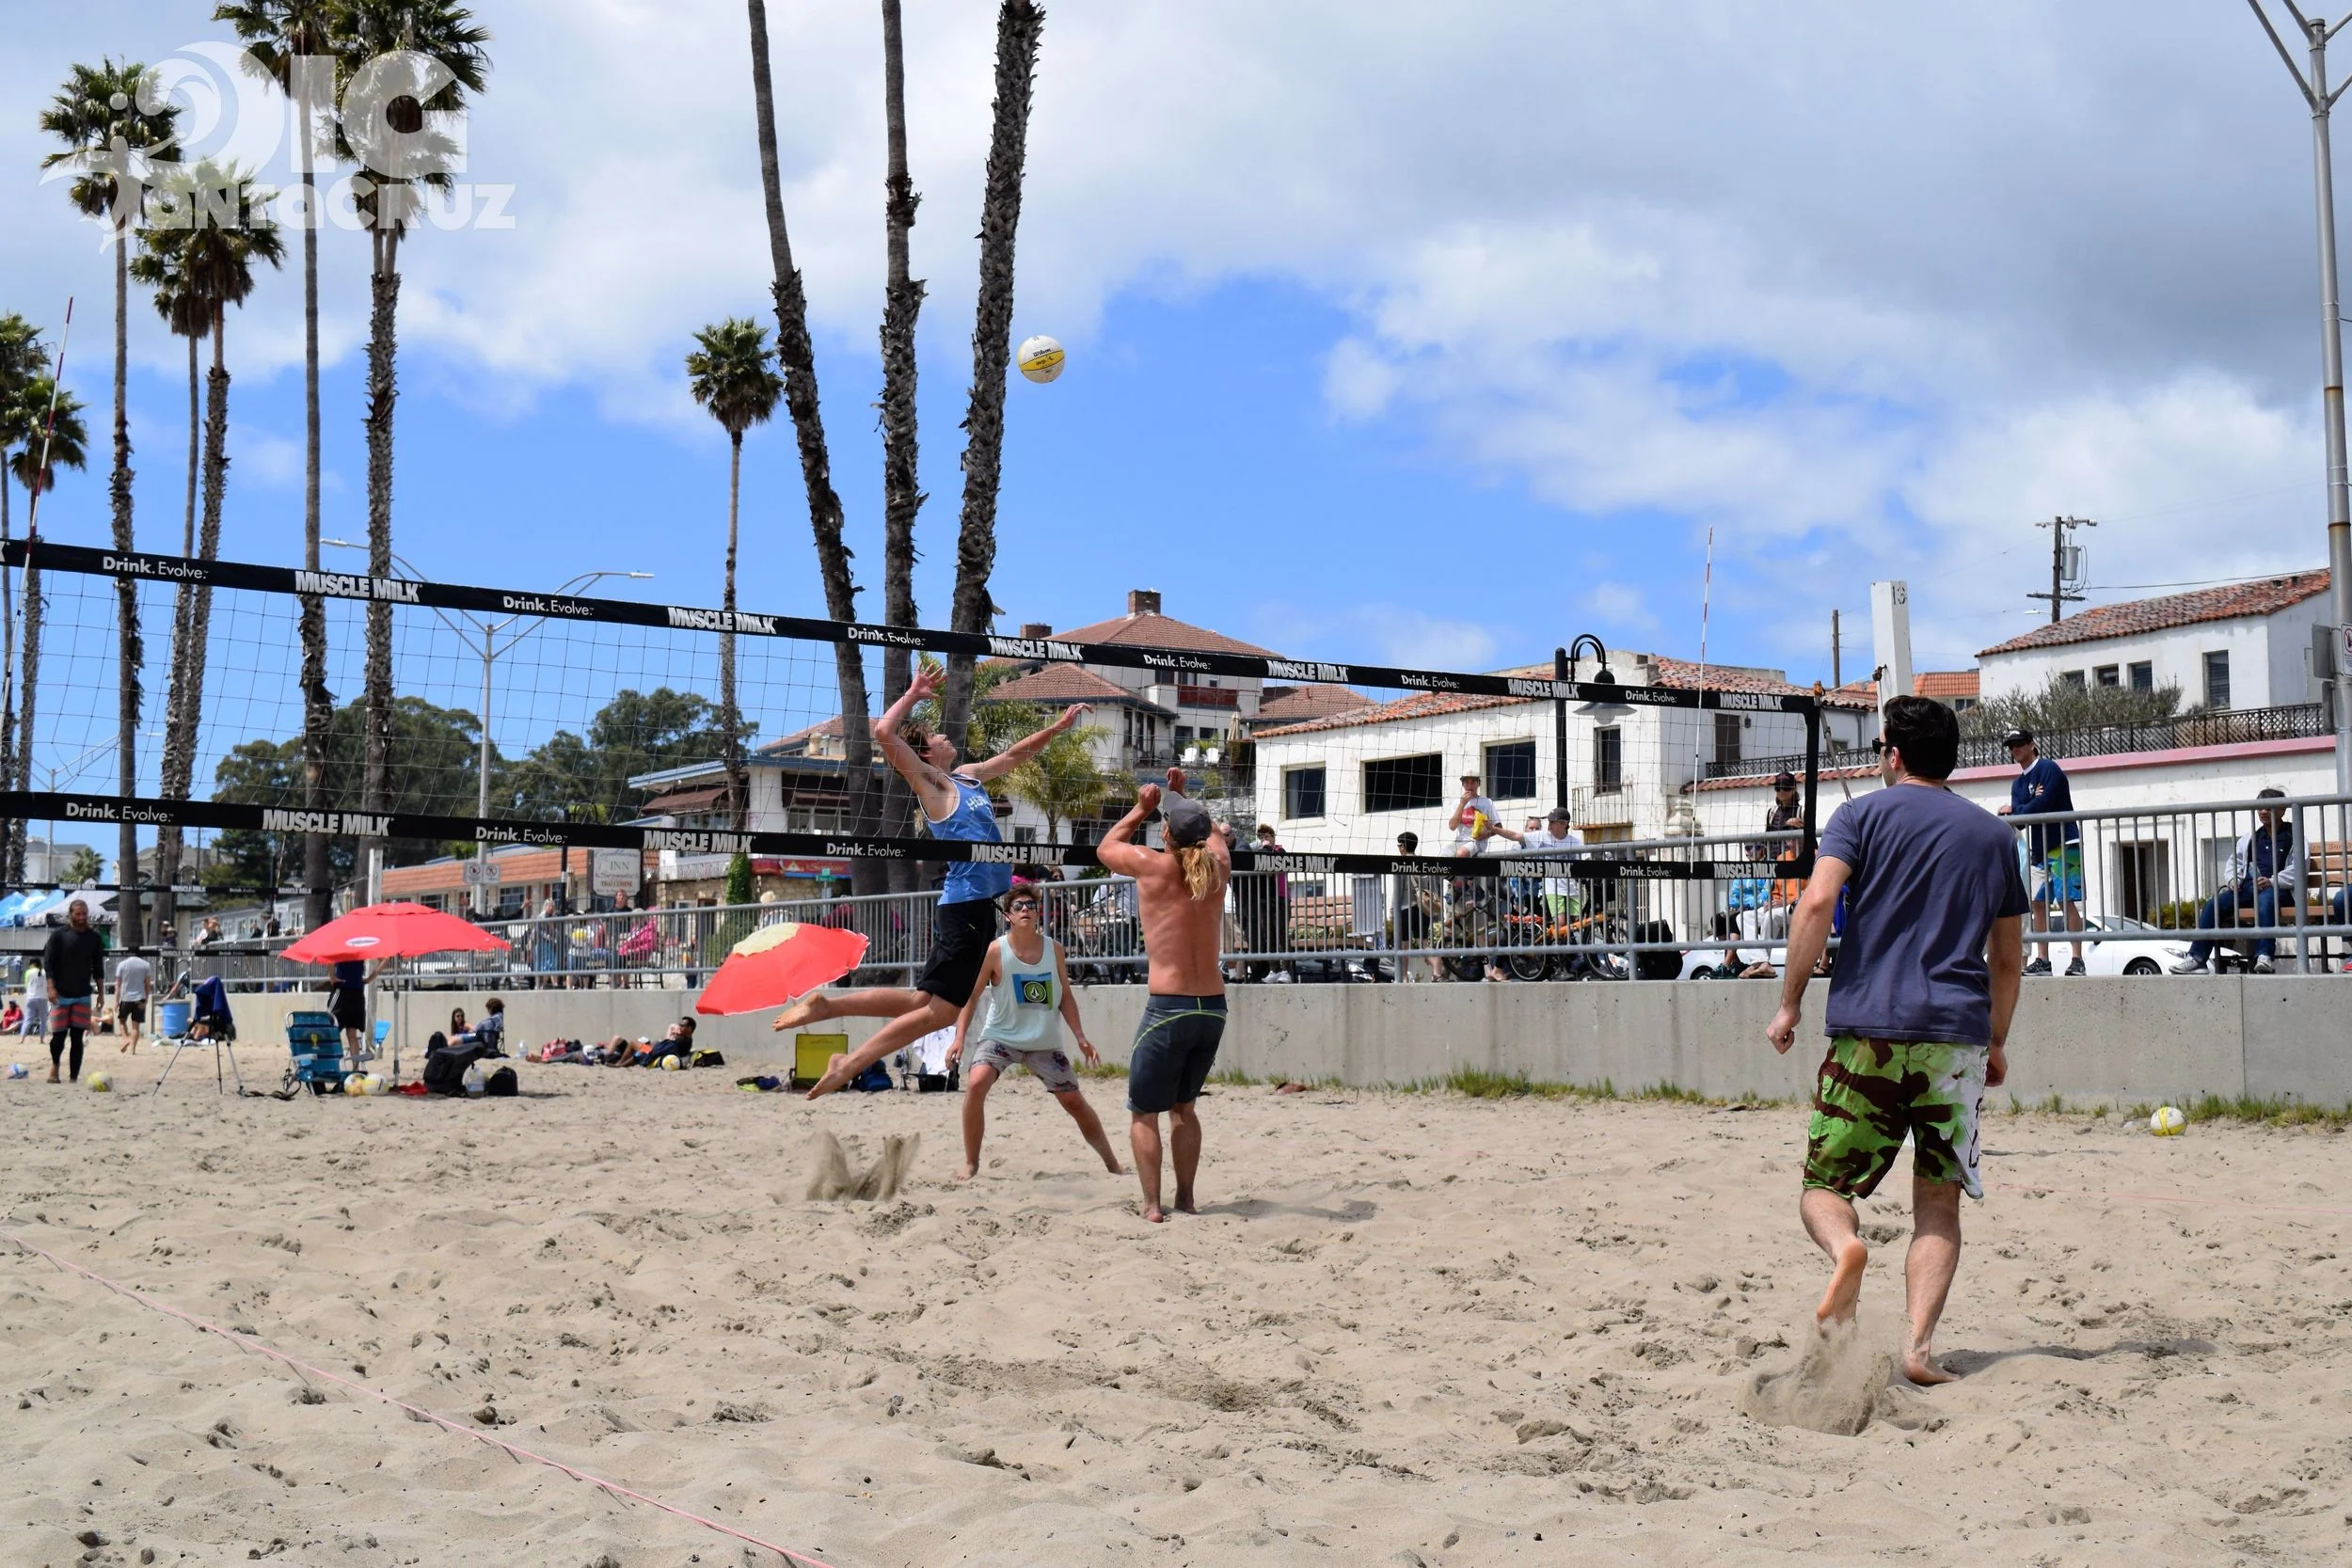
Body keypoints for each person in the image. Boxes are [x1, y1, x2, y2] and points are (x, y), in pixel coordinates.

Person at [1766, 696, 2027, 1386]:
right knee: (1937, 1201)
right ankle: (1917, 1348)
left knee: (1824, 1186)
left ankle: (1848, 1246)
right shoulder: (1995, 837)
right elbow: (2008, 958)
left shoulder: (1858, 816)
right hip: (1955, 1037)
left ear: (1894, 754)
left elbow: (1817, 902)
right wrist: (1996, 1039)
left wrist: (1789, 1003)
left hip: (1868, 1028)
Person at [777, 663, 1090, 1097]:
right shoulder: (932, 786)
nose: (947, 737)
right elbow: (886, 734)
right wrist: (913, 693)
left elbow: (1017, 755)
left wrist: (1057, 726)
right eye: (938, 737)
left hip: (978, 907)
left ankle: (830, 1013)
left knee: (925, 1005)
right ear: (927, 754)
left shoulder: (971, 776)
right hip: (964, 906)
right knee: (940, 1011)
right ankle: (846, 1054)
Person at [1096, 769, 1234, 1223]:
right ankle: (1188, 1199)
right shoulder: (1219, 867)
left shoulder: (1151, 864)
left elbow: (1105, 847)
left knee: (1143, 1113)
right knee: (1185, 1109)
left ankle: (1153, 1206)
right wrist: (1180, 799)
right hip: (1211, 1008)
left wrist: (1144, 805)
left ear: (1166, 834)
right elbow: (1213, 834)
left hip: (1168, 1008)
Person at [946, 887, 1122, 1180]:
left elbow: (1065, 995)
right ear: (1008, 917)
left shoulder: (1054, 949)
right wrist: (959, 1038)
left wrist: (1080, 1037)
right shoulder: (995, 951)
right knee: (976, 1083)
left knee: (1075, 1103)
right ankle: (971, 1162)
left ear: (1039, 912)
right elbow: (972, 996)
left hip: (1043, 1041)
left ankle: (1112, 1163)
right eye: (1018, 906)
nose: (1025, 909)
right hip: (1000, 1037)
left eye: (1030, 905)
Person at [2172, 788, 2302, 974]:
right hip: (2250, 888)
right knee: (2214, 903)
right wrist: (2234, 879)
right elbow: (2235, 862)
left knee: (2266, 900)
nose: (2264, 812)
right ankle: (2197, 958)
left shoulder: (2294, 836)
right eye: (2260, 808)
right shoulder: (2251, 838)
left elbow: (2298, 869)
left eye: (2269, 808)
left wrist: (2273, 881)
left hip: (2280, 891)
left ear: (2282, 810)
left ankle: (2264, 956)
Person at [1999, 728, 2085, 976]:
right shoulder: (2018, 783)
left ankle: (2077, 959)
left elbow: (2043, 804)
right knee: (2037, 904)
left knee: (2066, 900)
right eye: (2011, 746)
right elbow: (2023, 819)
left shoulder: (2049, 769)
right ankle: (2043, 960)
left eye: (2019, 744)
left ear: (2031, 744)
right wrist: (2025, 808)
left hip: (2062, 844)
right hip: (2039, 849)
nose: (2015, 750)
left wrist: (2021, 809)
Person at [40, 899, 105, 1085]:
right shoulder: (59, 936)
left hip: (83, 995)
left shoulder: (94, 938)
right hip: (60, 994)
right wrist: (51, 988)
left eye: (84, 914)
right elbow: (49, 964)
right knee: (58, 1037)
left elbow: (98, 968)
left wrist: (101, 993)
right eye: (78, 914)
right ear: (70, 915)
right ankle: (55, 1066)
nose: (82, 917)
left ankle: (73, 1077)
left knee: (77, 1038)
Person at [1241, 823, 1291, 981]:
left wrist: (1268, 848)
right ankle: (1274, 969)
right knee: (1268, 935)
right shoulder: (1259, 853)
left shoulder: (1279, 851)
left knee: (1281, 933)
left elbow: (1275, 864)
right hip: (1265, 899)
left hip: (1280, 898)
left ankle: (1285, 971)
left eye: (1267, 837)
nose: (1264, 840)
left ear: (1273, 838)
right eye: (1261, 837)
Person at [1391, 832, 1441, 982]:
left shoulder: (1401, 864)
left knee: (1403, 946)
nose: (1399, 849)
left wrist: (1393, 912)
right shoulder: (1423, 863)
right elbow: (1433, 890)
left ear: (1403, 847)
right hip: (1423, 909)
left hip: (1406, 909)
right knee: (1424, 944)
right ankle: (1437, 968)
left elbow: (1397, 891)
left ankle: (1404, 977)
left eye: (1399, 845)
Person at [329, 956, 377, 1063]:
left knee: (332, 1031)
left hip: (342, 990)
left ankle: (337, 1066)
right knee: (352, 1035)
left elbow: (330, 958)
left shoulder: (341, 944)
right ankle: (355, 1069)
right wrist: (370, 978)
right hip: (357, 993)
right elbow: (385, 959)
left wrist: (332, 976)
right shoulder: (360, 946)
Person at [113, 948, 152, 1055]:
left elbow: (118, 985)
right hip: (140, 998)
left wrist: (116, 1001)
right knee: (136, 1026)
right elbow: (148, 984)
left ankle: (125, 1038)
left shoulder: (122, 964)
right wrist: (146, 999)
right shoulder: (146, 965)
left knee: (122, 1021)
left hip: (126, 998)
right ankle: (133, 1050)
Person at [19, 959, 46, 1041]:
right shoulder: (44, 972)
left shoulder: (28, 972)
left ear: (33, 964)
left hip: (30, 998)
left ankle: (22, 1039)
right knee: (43, 1020)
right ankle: (41, 1039)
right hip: (42, 998)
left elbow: (26, 985)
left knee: (28, 1019)